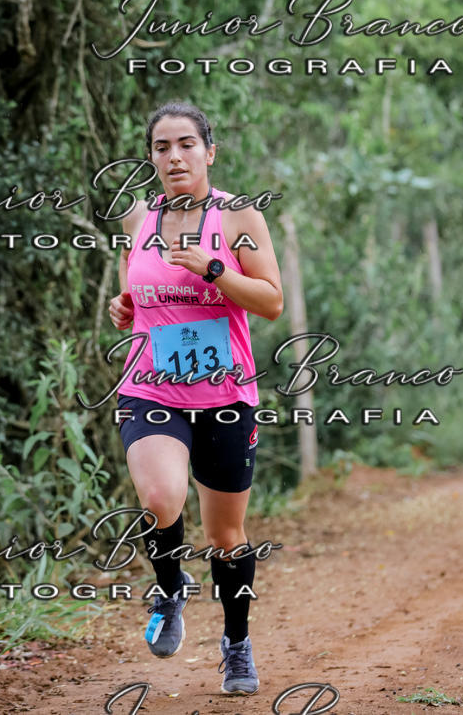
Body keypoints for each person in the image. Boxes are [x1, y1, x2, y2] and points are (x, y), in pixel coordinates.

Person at [108, 100, 283, 695]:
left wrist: (214, 270)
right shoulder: (137, 219)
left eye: (186, 144)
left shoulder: (238, 219)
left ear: (209, 151)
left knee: (225, 537)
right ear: (151, 156)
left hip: (225, 394)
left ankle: (235, 643)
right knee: (161, 497)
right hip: (149, 386)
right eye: (162, 147)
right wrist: (124, 306)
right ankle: (171, 588)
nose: (174, 156)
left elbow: (270, 302)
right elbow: (135, 292)